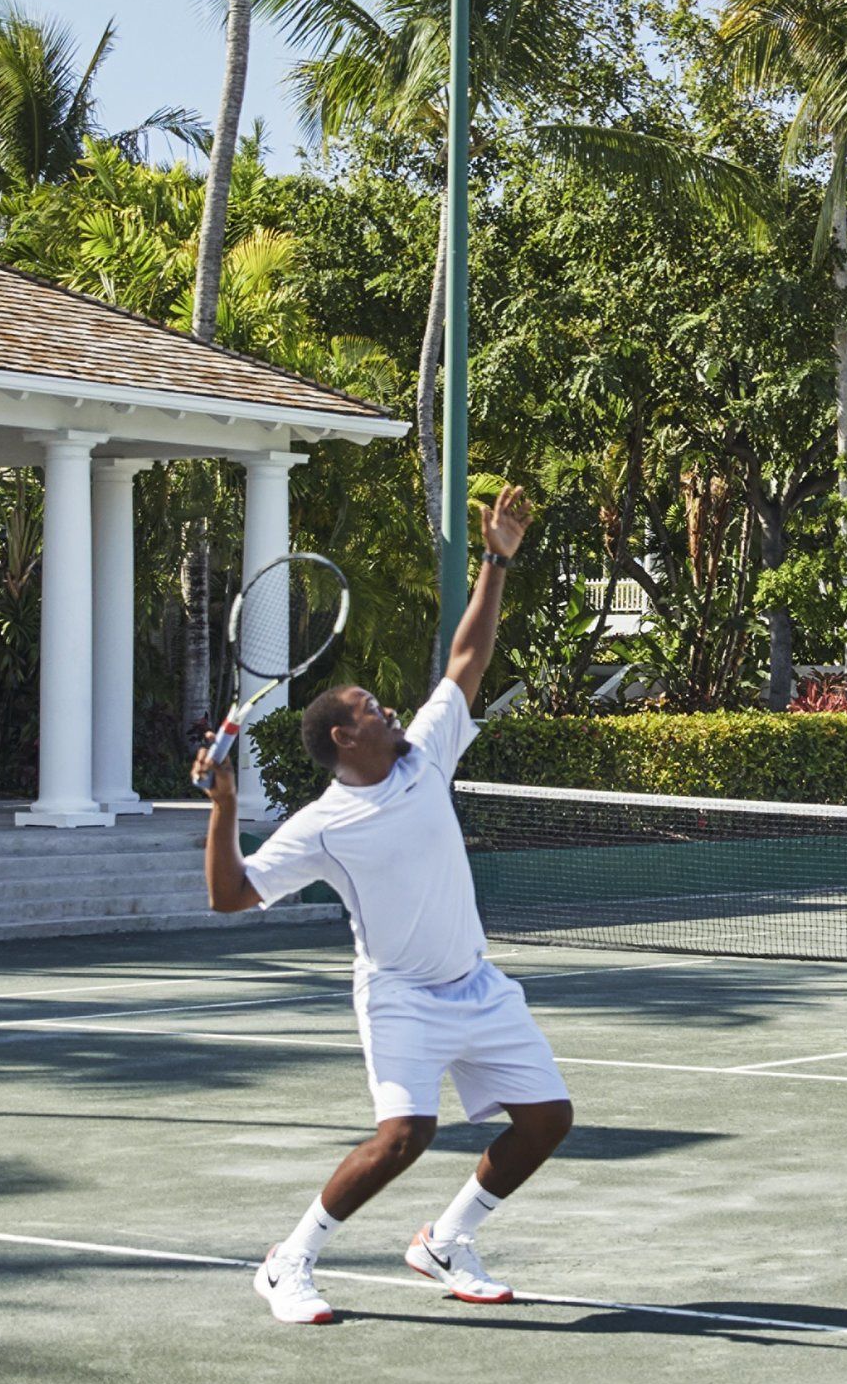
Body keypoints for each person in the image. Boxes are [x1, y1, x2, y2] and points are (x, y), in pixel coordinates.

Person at [198, 481, 572, 1327]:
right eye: (372, 708)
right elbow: (229, 895)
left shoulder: (425, 753)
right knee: (405, 1134)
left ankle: (445, 1240)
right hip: (400, 994)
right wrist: (223, 811)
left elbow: (466, 660)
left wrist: (496, 560)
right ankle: (289, 1261)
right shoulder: (324, 825)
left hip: (476, 983)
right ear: (343, 737)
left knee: (548, 1118)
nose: (391, 707)